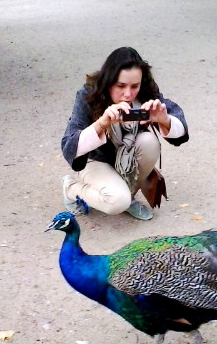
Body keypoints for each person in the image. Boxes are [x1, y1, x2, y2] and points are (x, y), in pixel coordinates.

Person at [61, 47, 189, 221]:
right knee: (117, 201)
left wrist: (164, 119)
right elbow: (68, 145)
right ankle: (71, 188)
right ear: (108, 81)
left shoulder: (146, 92)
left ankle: (128, 194)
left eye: (134, 86)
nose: (128, 94)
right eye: (120, 86)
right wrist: (101, 124)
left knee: (149, 142)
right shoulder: (88, 94)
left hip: (127, 156)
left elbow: (180, 126)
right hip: (95, 160)